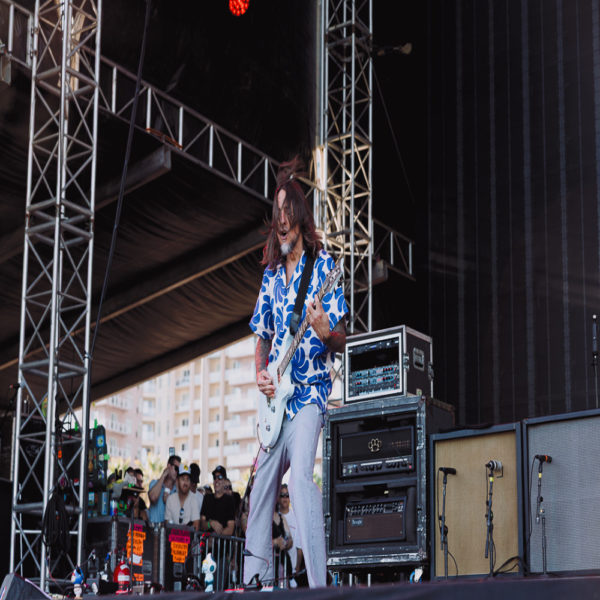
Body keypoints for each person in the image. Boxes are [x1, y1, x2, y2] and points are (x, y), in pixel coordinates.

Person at [243, 157, 348, 588]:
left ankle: (320, 586)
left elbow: (340, 338)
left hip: (309, 396)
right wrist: (261, 374)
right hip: (276, 404)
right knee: (259, 492)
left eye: (288, 213)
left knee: (301, 479)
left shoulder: (323, 268)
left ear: (300, 218)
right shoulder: (270, 277)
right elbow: (262, 336)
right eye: (277, 215)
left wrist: (325, 332)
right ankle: (255, 582)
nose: (281, 222)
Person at [277, 483, 302, 583]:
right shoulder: (274, 516)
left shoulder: (296, 516)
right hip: (276, 569)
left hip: (292, 569)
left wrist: (297, 566)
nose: (285, 498)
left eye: (287, 495)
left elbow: (299, 546)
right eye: (282, 495)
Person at [147, 454, 181, 524]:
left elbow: (180, 515)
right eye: (176, 468)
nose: (177, 472)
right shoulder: (154, 483)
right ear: (169, 466)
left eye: (179, 470)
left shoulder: (177, 490)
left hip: (169, 529)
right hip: (154, 528)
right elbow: (153, 498)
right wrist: (163, 475)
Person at [165, 465, 200, 530]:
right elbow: (167, 525)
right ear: (177, 480)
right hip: (173, 535)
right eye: (183, 479)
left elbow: (196, 526)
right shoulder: (170, 499)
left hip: (189, 536)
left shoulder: (194, 499)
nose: (185, 483)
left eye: (188, 479)